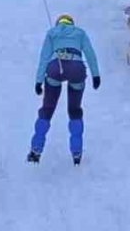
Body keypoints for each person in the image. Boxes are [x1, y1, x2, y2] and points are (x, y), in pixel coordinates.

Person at [29, 13, 101, 165]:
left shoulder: (52, 33)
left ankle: (36, 149)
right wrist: (96, 75)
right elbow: (90, 54)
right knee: (75, 110)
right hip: (77, 68)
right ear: (71, 23)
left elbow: (44, 58)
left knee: (47, 108)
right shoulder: (80, 32)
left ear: (58, 23)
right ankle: (76, 153)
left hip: (56, 67)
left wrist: (38, 81)